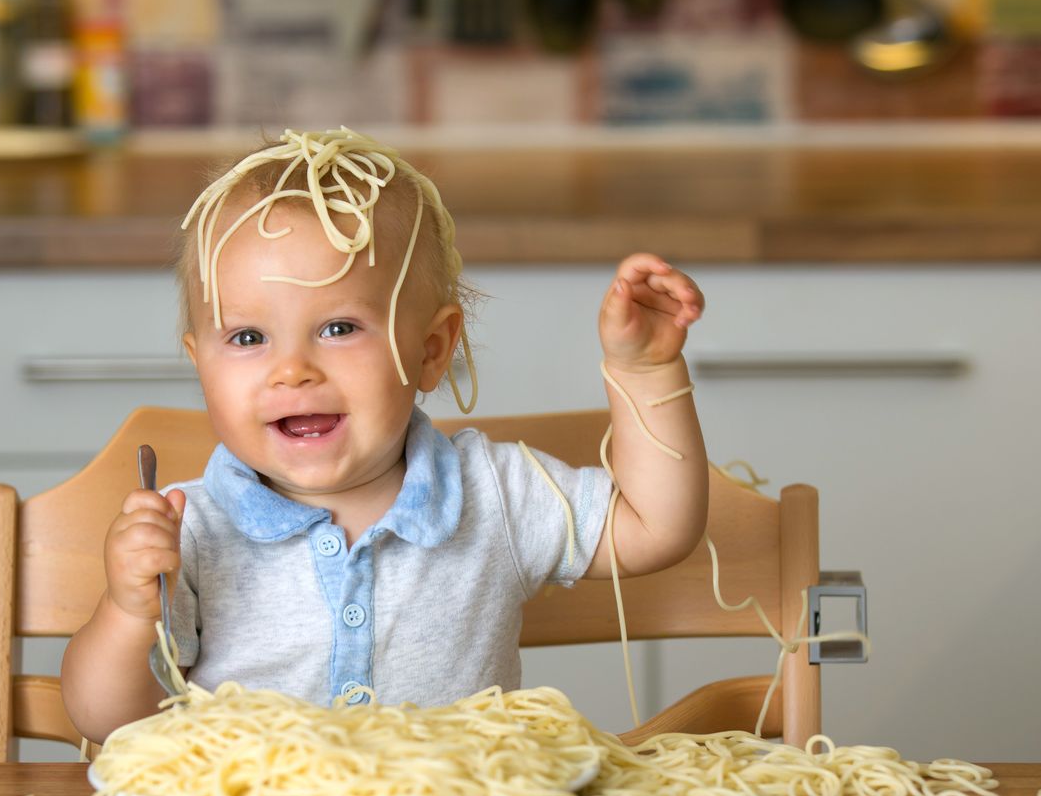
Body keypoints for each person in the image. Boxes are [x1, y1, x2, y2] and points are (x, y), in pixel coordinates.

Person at [61, 129, 709, 744]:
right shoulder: (189, 531)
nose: (292, 370)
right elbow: (106, 721)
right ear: (199, 361)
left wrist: (645, 371)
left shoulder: (495, 496)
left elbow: (656, 527)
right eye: (248, 337)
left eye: (339, 328)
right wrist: (125, 612)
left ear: (431, 351)